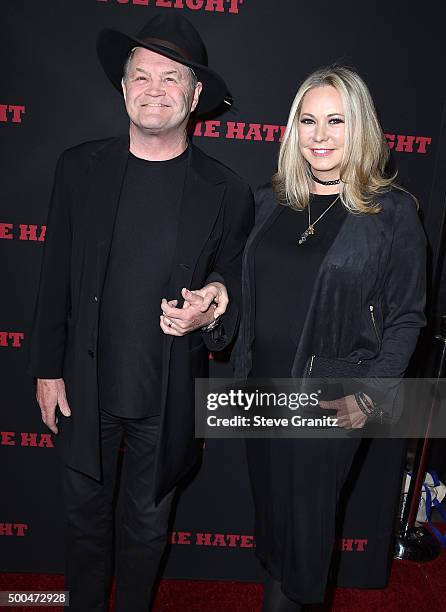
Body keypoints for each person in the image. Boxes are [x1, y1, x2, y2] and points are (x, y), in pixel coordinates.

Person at [28, 14, 253, 612]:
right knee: (83, 528)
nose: (155, 88)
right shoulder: (78, 169)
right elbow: (53, 279)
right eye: (142, 75)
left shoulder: (228, 192)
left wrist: (212, 309)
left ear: (195, 94)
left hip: (167, 393)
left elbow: (231, 288)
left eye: (171, 77)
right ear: (123, 87)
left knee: (148, 534)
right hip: (84, 383)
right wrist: (47, 370)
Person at [233, 66, 426, 610]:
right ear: (293, 129)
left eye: (336, 120)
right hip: (259, 392)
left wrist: (368, 398)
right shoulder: (268, 202)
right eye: (308, 120)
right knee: (273, 528)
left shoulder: (391, 214)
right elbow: (243, 289)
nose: (320, 135)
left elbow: (407, 318)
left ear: (360, 127)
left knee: (306, 540)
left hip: (328, 400)